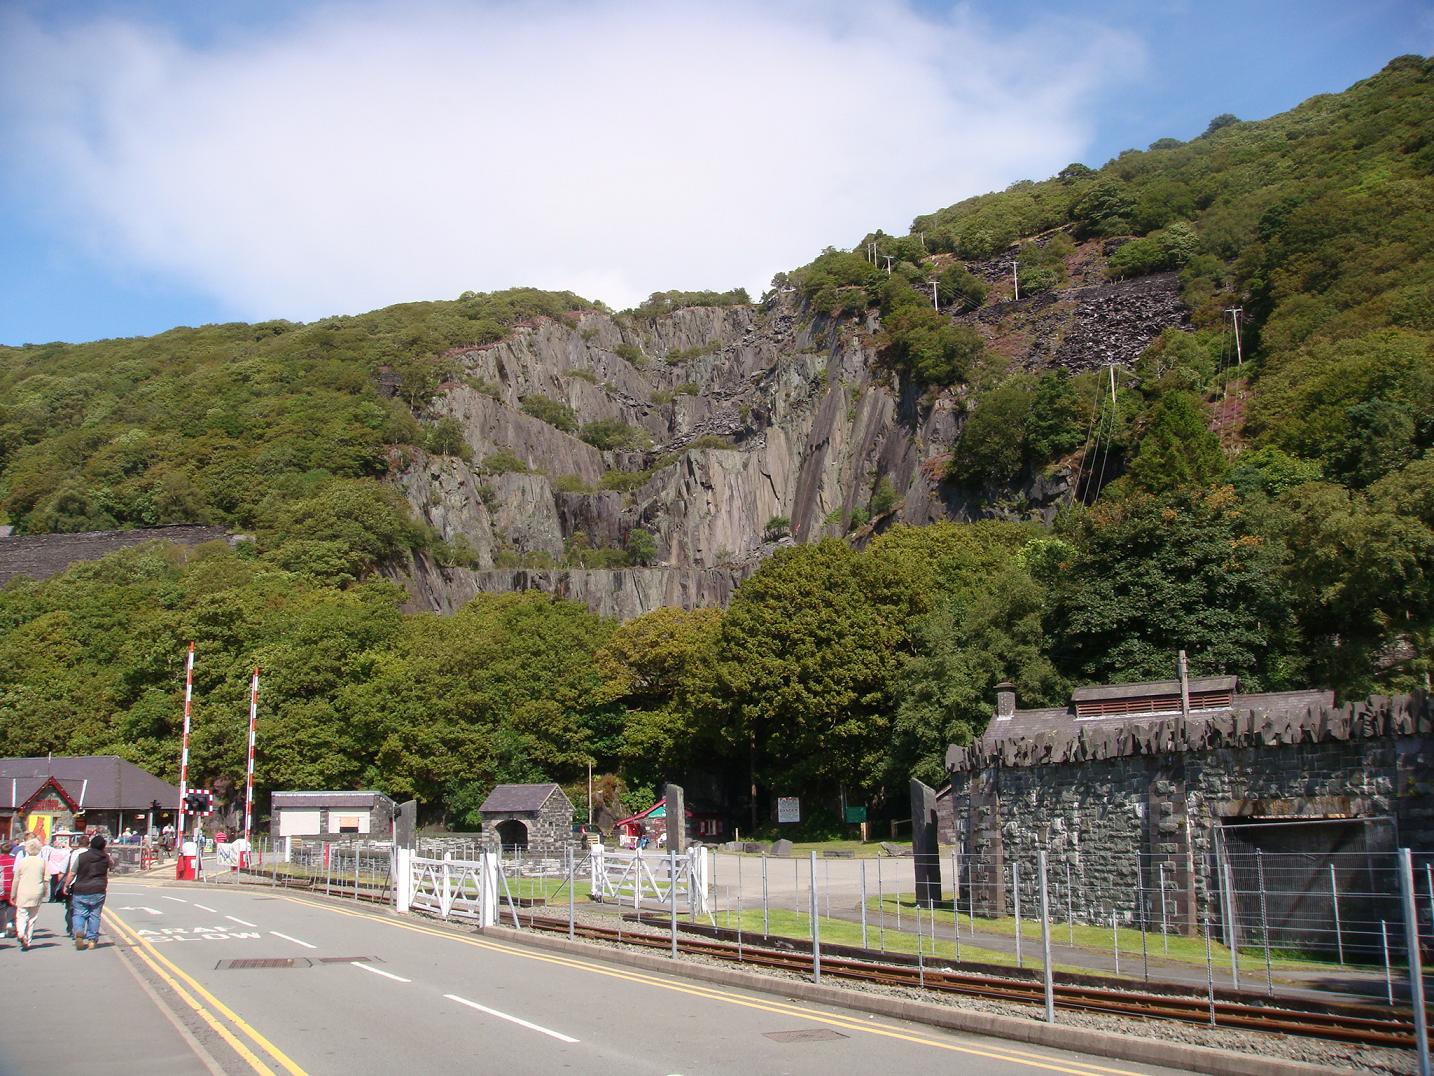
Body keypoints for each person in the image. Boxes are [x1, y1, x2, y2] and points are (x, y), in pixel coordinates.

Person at [64, 834, 111, 950]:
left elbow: (72, 873)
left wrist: (66, 885)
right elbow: (112, 865)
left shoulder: (82, 856)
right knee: (94, 915)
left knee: (79, 913)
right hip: (98, 889)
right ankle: (92, 940)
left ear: (91, 844)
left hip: (81, 888)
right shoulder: (105, 858)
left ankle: (79, 932)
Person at [10, 838, 46, 951]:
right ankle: (28, 940)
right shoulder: (42, 862)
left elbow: (16, 879)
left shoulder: (22, 862)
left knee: (21, 914)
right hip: (37, 891)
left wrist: (13, 894)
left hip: (23, 891)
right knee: (32, 917)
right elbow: (46, 878)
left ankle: (21, 933)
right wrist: (44, 892)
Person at [43, 836, 69, 902]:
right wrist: (66, 846)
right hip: (60, 870)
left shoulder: (51, 851)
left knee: (53, 885)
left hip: (52, 870)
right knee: (60, 885)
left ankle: (52, 898)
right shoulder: (63, 852)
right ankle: (59, 898)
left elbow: (47, 859)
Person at [0, 841, 15, 939]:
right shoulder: (13, 861)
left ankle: (1, 931)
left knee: (1, 910)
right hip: (11, 886)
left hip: (1, 886)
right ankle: (9, 923)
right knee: (11, 906)